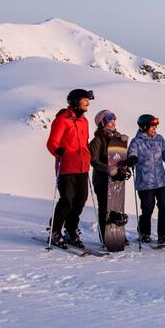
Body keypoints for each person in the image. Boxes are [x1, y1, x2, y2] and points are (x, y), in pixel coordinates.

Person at [127, 114, 165, 245]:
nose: (155, 129)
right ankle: (144, 233)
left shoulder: (159, 139)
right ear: (144, 127)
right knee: (147, 209)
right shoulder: (136, 142)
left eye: (155, 126)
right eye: (152, 126)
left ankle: (164, 235)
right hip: (145, 183)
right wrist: (132, 159)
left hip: (160, 181)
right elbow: (132, 154)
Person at [45, 88, 94, 249]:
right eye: (85, 100)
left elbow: (84, 142)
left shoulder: (84, 121)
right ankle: (55, 231)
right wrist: (57, 151)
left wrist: (88, 155)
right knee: (67, 200)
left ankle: (71, 230)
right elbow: (52, 142)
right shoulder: (62, 120)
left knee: (79, 201)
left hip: (82, 168)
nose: (88, 103)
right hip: (66, 167)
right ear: (75, 101)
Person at [88, 109, 132, 247]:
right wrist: (108, 169)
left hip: (116, 179)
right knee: (105, 208)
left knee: (117, 206)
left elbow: (120, 158)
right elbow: (93, 161)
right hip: (101, 180)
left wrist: (127, 159)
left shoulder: (117, 138)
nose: (113, 122)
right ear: (102, 123)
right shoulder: (97, 140)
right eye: (109, 119)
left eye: (114, 119)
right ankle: (105, 236)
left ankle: (117, 235)